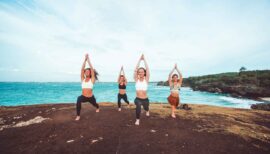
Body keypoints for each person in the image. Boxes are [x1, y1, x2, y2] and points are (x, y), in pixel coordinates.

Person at [75, 54, 99, 121]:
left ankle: (97, 107)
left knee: (95, 104)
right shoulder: (83, 79)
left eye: (88, 71)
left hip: (91, 97)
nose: (87, 72)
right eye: (86, 71)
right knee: (78, 99)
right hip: (84, 96)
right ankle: (78, 115)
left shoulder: (92, 80)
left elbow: (91, 68)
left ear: (91, 73)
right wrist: (85, 60)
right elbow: (82, 69)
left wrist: (88, 60)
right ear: (84, 73)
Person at [134, 54, 150, 125]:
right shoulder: (136, 79)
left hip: (145, 99)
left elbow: (147, 69)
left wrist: (144, 60)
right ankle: (137, 119)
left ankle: (147, 110)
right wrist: (139, 60)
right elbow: (135, 70)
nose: (140, 73)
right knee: (138, 106)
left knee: (146, 108)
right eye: (139, 72)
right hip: (138, 99)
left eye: (142, 72)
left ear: (144, 73)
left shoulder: (146, 80)